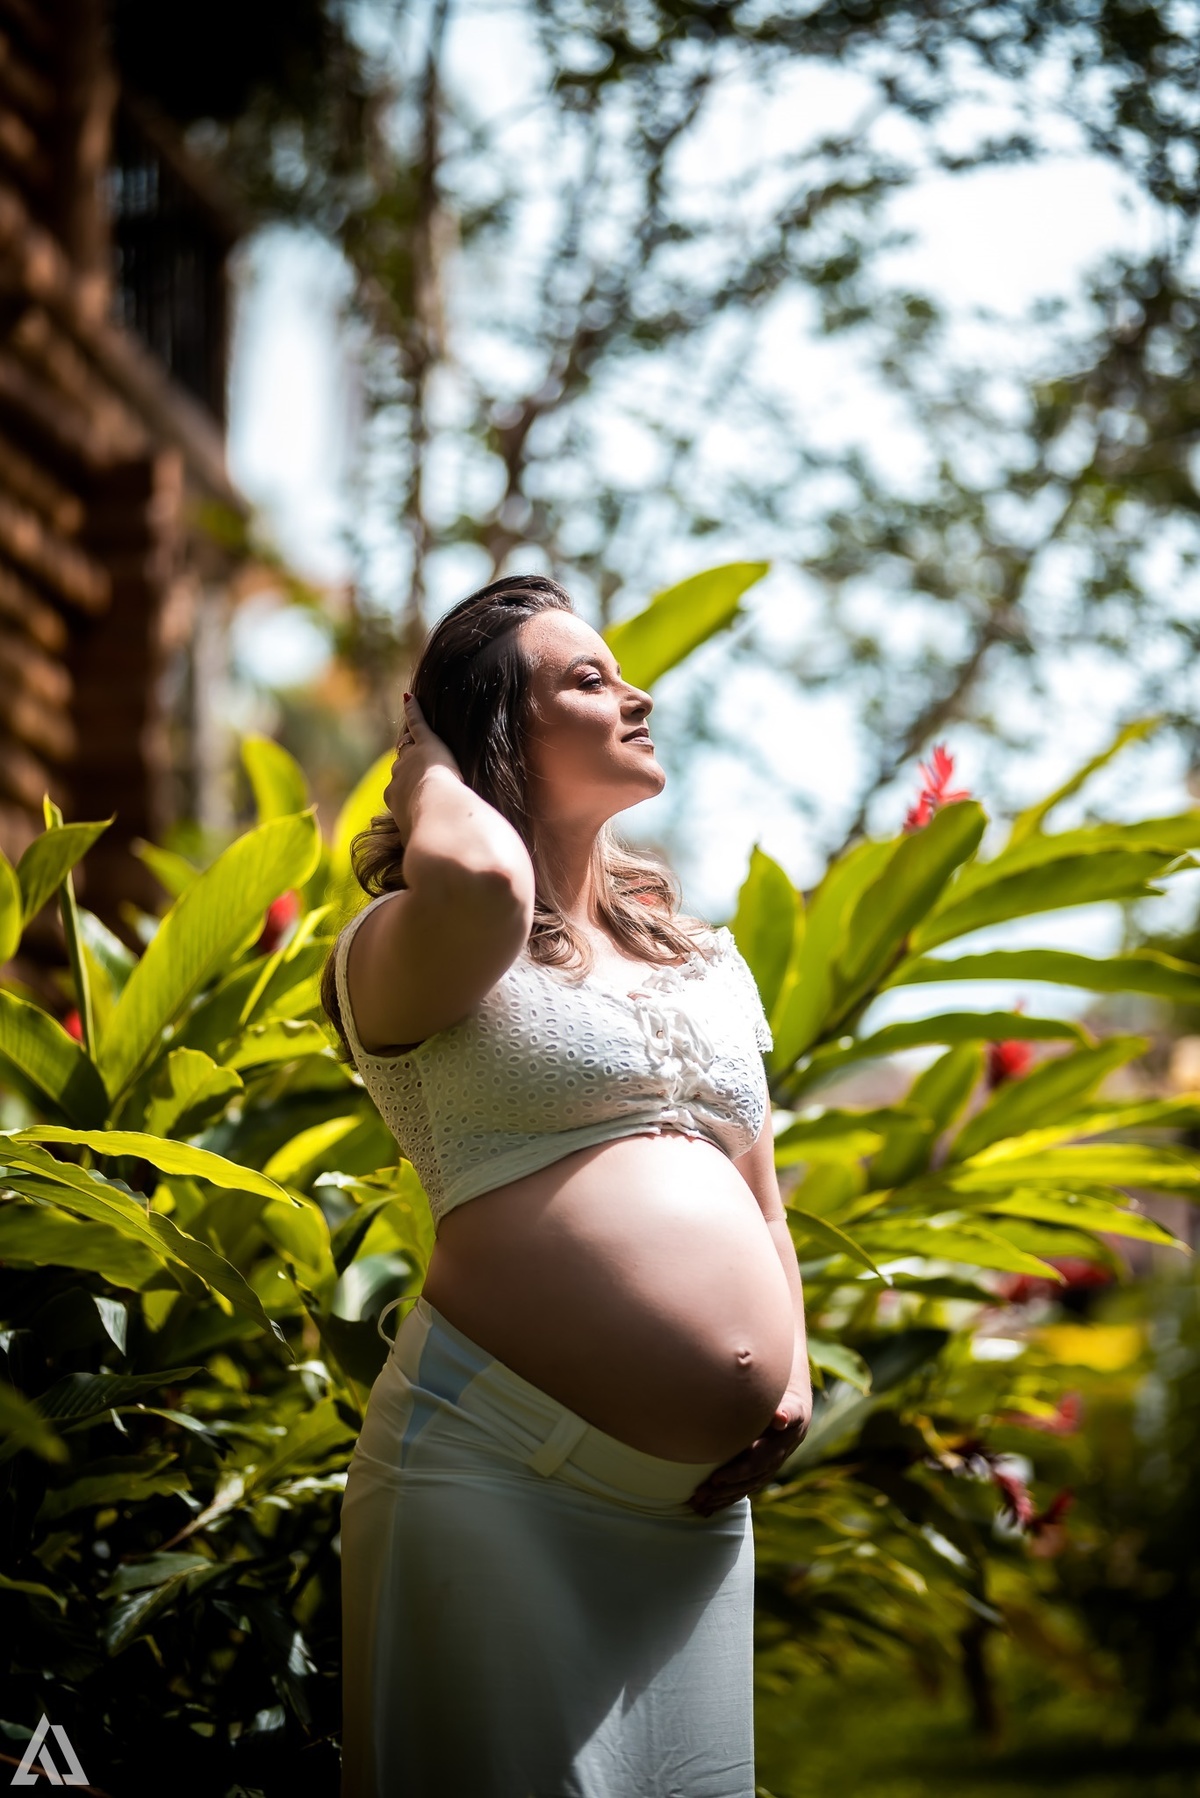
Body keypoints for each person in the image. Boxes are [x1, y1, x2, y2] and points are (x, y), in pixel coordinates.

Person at [323, 574, 811, 1798]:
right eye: (588, 680)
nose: (636, 692)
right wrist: (425, 767)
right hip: (495, 1473)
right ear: (496, 737)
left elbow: (759, 1195)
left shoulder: (701, 958)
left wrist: (789, 1367)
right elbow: (486, 886)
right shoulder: (414, 940)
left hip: (691, 1516)